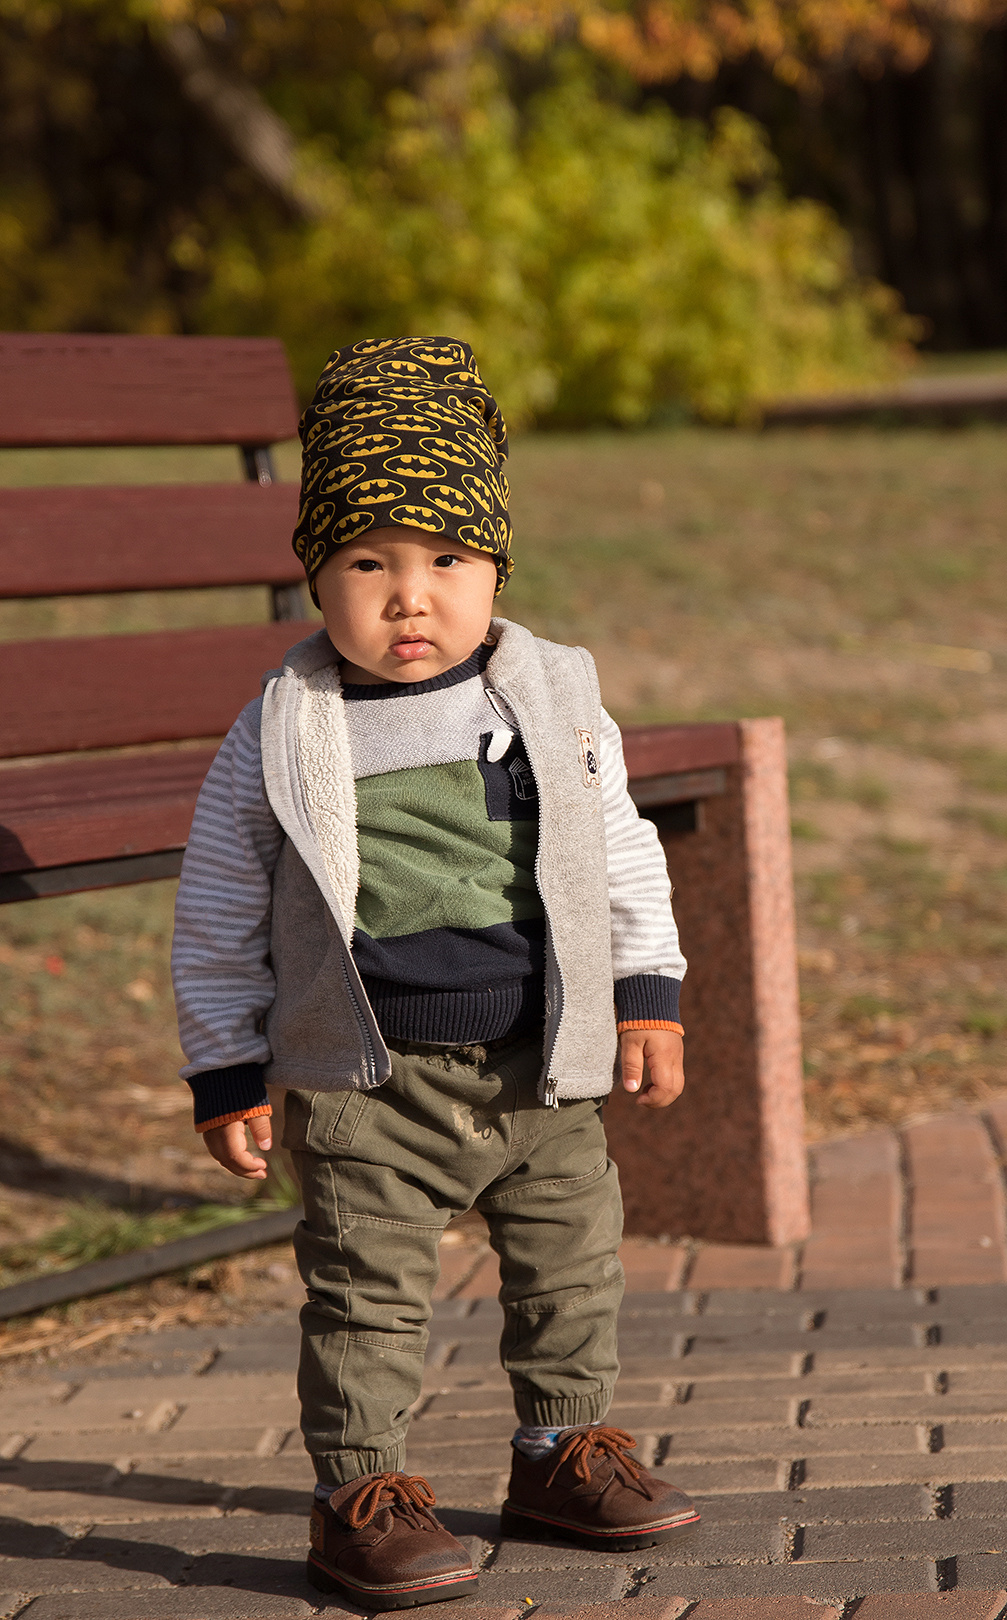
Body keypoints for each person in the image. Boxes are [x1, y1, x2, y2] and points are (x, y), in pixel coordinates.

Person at [171, 336, 699, 1611]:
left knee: (574, 1265)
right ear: (315, 575)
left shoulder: (552, 695)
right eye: (369, 564)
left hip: (542, 1061)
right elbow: (221, 901)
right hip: (371, 1079)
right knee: (363, 1295)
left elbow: (619, 843)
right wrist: (226, 1065)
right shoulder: (287, 723)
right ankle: (362, 1493)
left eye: (445, 562)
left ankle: (559, 1454)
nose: (411, 598)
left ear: (497, 567)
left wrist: (649, 990)